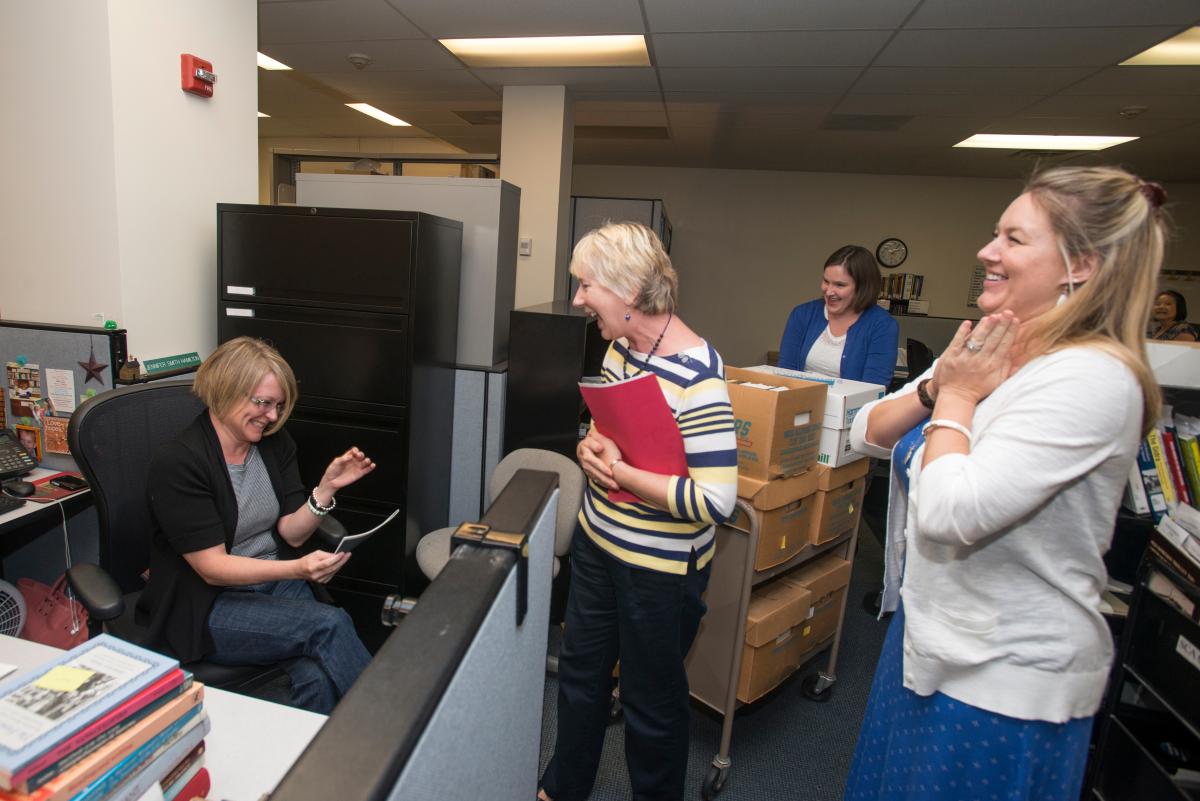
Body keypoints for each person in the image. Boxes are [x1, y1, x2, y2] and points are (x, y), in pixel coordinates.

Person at [842, 166, 1166, 801]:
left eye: (1014, 240)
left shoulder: (1090, 379)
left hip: (1004, 679)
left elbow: (949, 511)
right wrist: (939, 387)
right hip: (927, 641)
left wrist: (957, 397)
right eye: (995, 234)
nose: (987, 252)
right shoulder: (989, 342)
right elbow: (865, 432)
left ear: (1083, 265)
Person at [538, 222, 738, 801]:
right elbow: (605, 428)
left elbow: (715, 501)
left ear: (627, 292)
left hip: (660, 572)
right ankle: (563, 786)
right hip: (598, 542)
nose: (577, 299)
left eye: (585, 285)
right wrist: (587, 445)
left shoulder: (700, 379)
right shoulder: (620, 347)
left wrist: (622, 474)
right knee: (580, 680)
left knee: (651, 707)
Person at [139, 336, 374, 713]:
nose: (271, 416)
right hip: (208, 603)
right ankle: (391, 736)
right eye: (262, 403)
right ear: (224, 391)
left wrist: (325, 490)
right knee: (328, 626)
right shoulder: (180, 463)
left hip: (273, 586)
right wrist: (298, 569)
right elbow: (212, 569)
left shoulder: (273, 444)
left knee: (315, 675)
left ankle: (310, 765)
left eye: (278, 406)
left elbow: (290, 532)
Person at [778, 245, 899, 386]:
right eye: (826, 281)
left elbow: (873, 388)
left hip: (852, 407)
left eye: (839, 285)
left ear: (863, 287)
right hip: (800, 403)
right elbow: (785, 372)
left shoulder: (882, 326)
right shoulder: (803, 315)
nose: (829, 291)